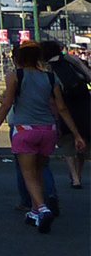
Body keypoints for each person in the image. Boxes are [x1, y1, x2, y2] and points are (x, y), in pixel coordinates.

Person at [0, 41, 86, 232]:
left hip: (25, 129)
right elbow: (61, 108)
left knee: (28, 175)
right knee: (39, 171)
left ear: (18, 58)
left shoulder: (15, 76)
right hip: (48, 130)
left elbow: (7, 104)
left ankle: (42, 208)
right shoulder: (50, 78)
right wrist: (76, 134)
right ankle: (34, 211)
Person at [42, 39, 90, 189]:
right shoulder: (70, 59)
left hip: (63, 102)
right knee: (83, 138)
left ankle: (74, 178)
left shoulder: (47, 68)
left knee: (68, 141)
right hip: (84, 102)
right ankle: (79, 173)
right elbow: (88, 74)